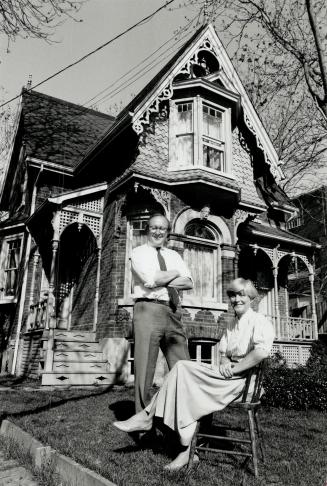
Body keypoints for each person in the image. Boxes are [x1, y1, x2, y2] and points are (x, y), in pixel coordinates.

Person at [113, 278, 275, 471]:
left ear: (251, 298)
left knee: (186, 379)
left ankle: (155, 423)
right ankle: (182, 446)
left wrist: (233, 369)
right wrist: (225, 363)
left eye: (241, 295)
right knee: (182, 369)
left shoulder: (260, 321)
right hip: (227, 377)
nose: (236, 300)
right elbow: (224, 353)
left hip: (245, 383)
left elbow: (261, 352)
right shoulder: (232, 324)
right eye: (232, 295)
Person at [131, 212, 193, 413]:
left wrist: (164, 277)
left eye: (162, 228)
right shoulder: (138, 252)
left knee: (183, 365)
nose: (158, 231)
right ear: (148, 229)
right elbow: (151, 278)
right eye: (154, 227)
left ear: (168, 233)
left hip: (173, 312)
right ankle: (143, 421)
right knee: (145, 370)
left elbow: (189, 282)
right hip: (148, 309)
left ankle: (182, 416)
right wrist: (175, 274)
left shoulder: (173, 255)